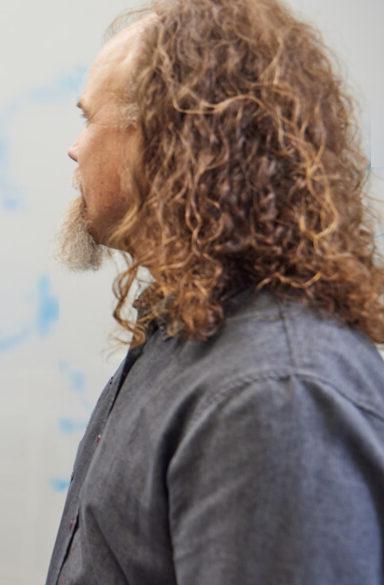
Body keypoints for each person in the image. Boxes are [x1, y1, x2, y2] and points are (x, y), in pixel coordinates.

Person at [50, 0, 384, 583]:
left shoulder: (276, 392)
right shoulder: (189, 329)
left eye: (88, 119)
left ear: (157, 144)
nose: (75, 149)